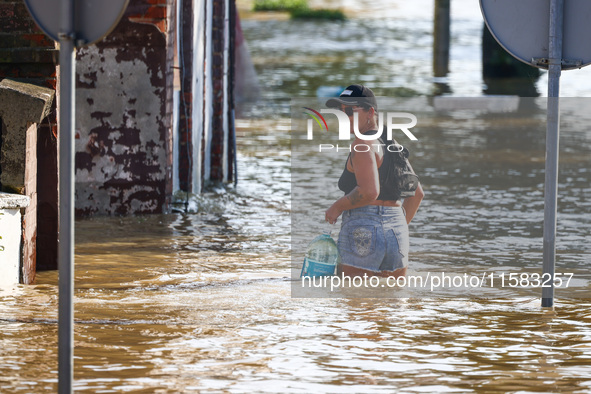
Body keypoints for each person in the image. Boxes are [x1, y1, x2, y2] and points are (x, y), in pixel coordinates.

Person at [324, 84, 424, 279]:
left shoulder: (361, 144)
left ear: (370, 112)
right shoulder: (393, 145)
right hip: (397, 231)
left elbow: (369, 191)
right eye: (341, 112)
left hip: (362, 227)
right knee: (389, 303)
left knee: (356, 304)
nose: (344, 117)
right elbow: (417, 193)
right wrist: (394, 227)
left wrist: (337, 207)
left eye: (350, 111)